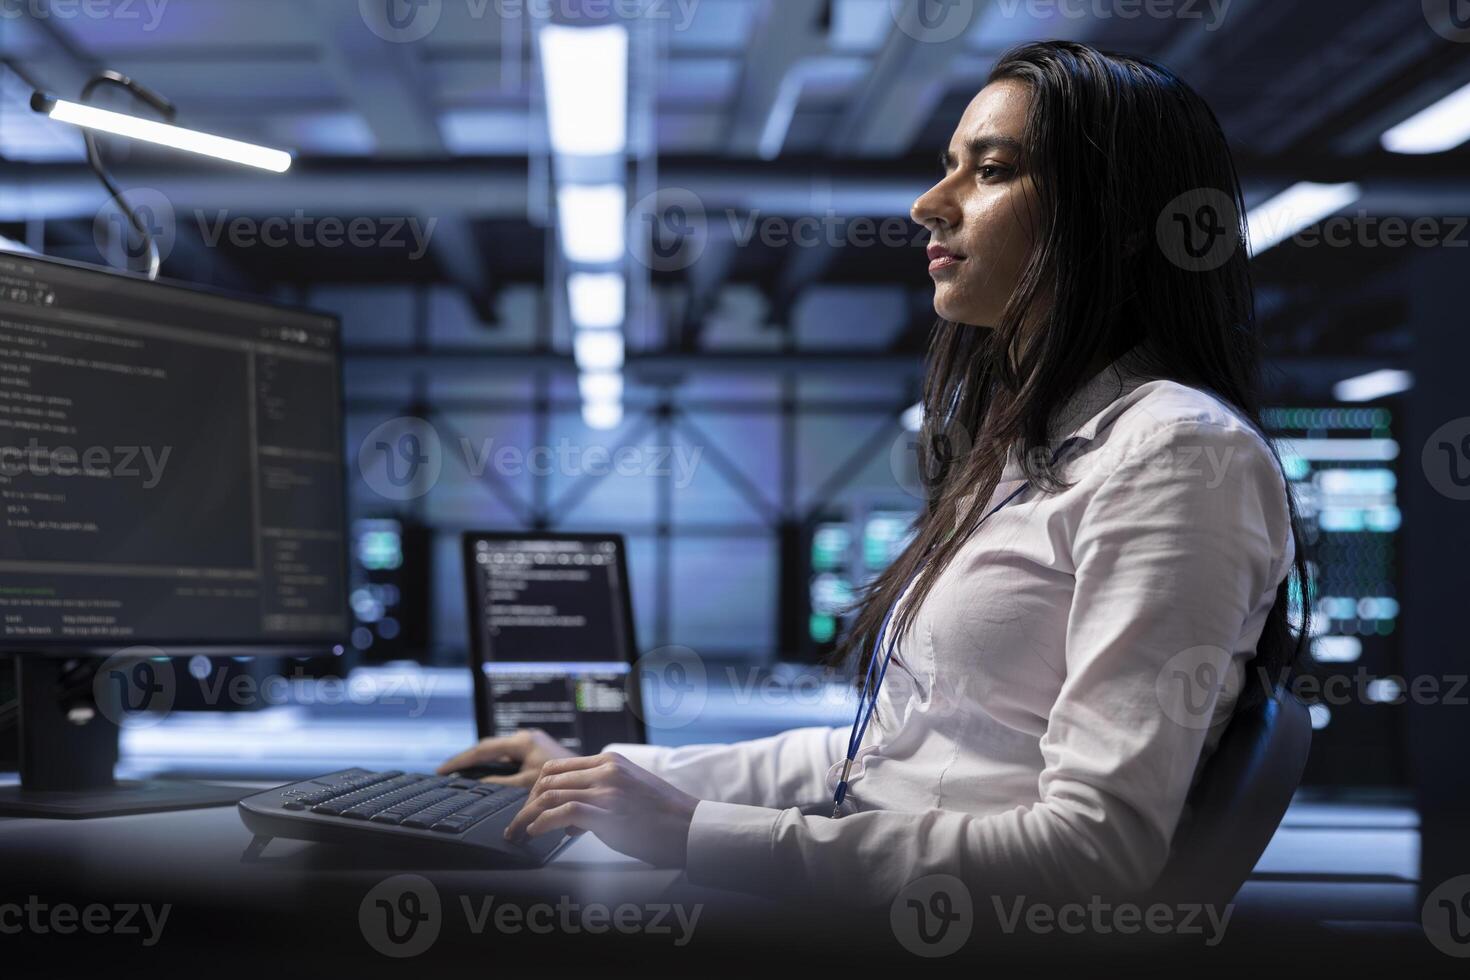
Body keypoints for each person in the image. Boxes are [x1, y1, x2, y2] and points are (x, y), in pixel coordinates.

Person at [439, 40, 1311, 909]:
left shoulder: (1178, 453)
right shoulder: (1026, 456)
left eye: (991, 171)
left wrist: (693, 832)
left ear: (1116, 221)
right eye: (948, 167)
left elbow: (1090, 853)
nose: (930, 204)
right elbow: (878, 758)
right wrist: (605, 773)